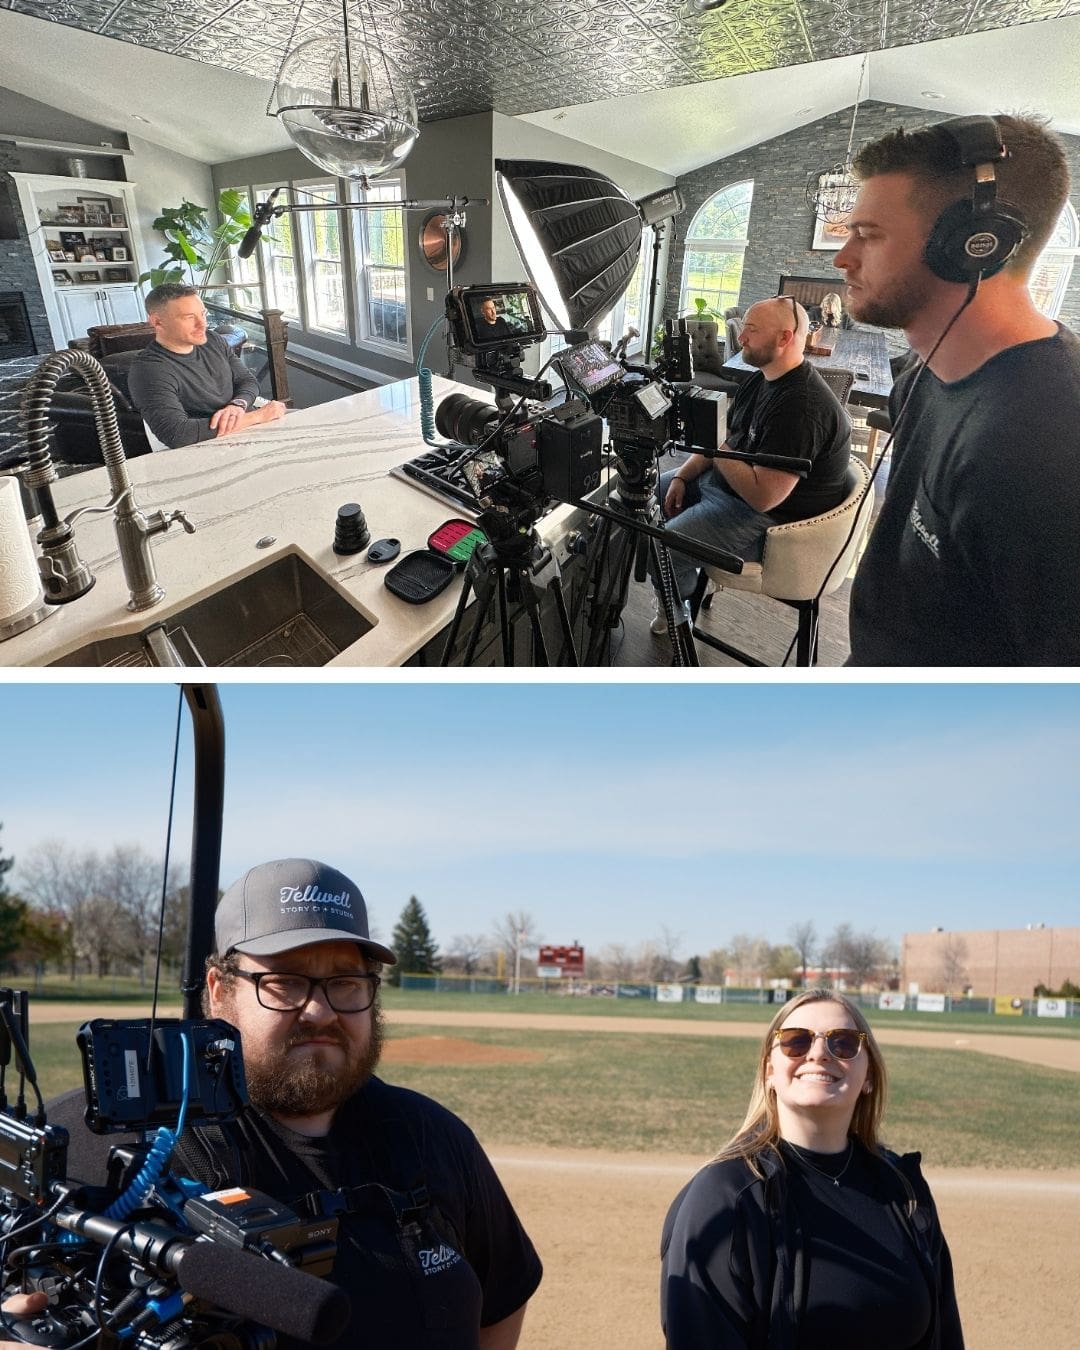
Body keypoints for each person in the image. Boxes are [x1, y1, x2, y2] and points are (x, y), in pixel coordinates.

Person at [42, 858, 542, 1350]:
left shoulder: (431, 1135)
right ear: (219, 992)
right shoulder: (96, 1143)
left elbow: (501, 1300)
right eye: (283, 981)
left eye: (346, 982)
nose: (321, 1011)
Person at [834, 114, 1080, 664]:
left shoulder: (1048, 448)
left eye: (869, 235)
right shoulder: (923, 374)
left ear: (973, 244)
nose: (842, 258)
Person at [660, 990, 964, 1349]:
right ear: (770, 1071)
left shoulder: (904, 1190)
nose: (819, 1053)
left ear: (868, 1075)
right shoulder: (726, 1196)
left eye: (845, 1043)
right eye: (796, 1041)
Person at [651, 296, 851, 631]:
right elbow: (727, 438)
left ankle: (677, 609)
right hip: (733, 488)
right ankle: (686, 568)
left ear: (784, 338)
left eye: (752, 330)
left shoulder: (801, 407)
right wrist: (683, 477)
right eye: (744, 327)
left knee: (663, 544)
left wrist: (714, 443)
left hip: (771, 520)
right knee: (651, 488)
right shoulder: (762, 377)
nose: (741, 337)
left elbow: (763, 496)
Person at [129, 282, 287, 449]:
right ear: (157, 322)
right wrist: (258, 416)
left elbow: (247, 380)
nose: (202, 324)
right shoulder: (148, 370)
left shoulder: (214, 340)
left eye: (203, 314)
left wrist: (237, 405)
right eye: (189, 317)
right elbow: (177, 434)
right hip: (205, 447)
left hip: (248, 433)